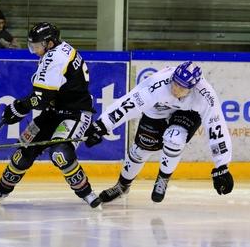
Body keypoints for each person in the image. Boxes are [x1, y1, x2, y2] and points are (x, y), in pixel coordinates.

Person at [0, 22, 101, 208]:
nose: (35, 50)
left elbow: (41, 98)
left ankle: (87, 193)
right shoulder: (57, 50)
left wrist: (19, 107)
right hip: (53, 112)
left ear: (50, 43)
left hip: (75, 114)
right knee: (23, 153)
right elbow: (45, 96)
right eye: (32, 45)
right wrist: (20, 107)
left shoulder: (56, 59)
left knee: (60, 153)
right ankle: (2, 190)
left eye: (37, 46)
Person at [84, 61, 234, 203]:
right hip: (158, 108)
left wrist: (222, 166)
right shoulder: (159, 84)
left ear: (192, 87)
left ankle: (163, 178)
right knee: (140, 149)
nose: (176, 89)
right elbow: (130, 103)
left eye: (182, 88)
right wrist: (102, 125)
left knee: (174, 138)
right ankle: (122, 186)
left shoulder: (205, 96)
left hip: (188, 113)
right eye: (175, 83)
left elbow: (216, 126)